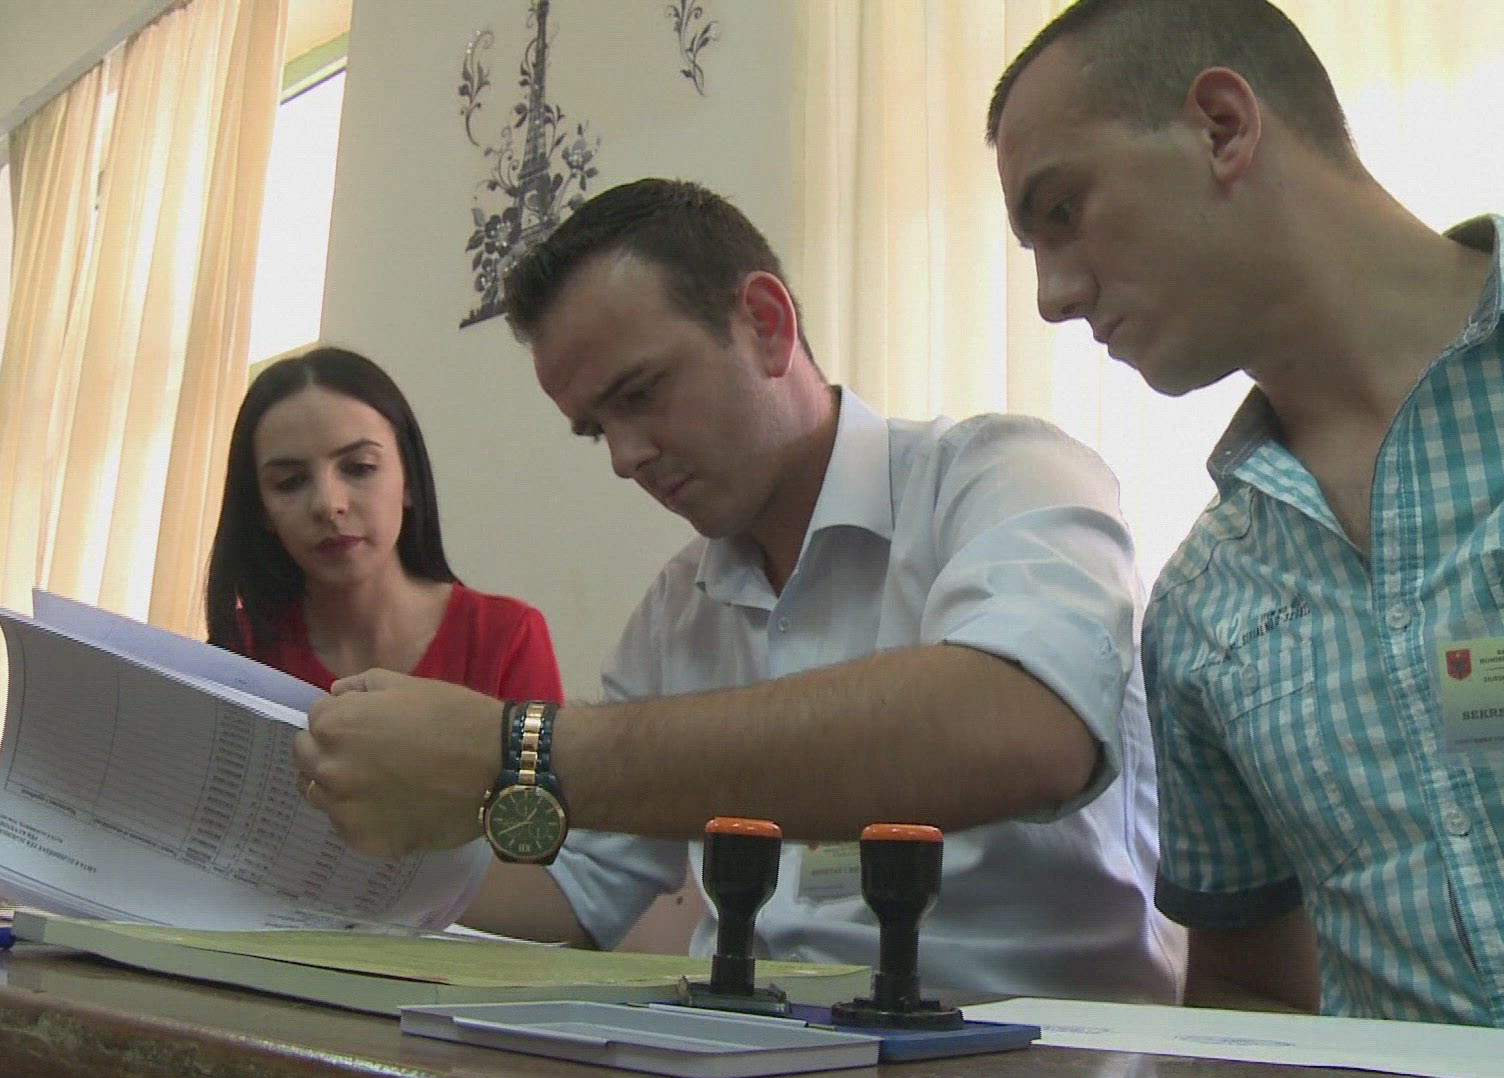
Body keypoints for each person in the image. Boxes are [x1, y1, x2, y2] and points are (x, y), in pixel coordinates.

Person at [298, 179, 1181, 1003]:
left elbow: (1021, 728)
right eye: (595, 429)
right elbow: (579, 887)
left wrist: (517, 750)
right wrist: (334, 863)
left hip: (1027, 1045)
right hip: (746, 1045)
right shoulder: (676, 612)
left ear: (765, 323)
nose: (625, 457)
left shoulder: (1006, 475)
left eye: (642, 394)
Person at [987, 0, 1502, 1026]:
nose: (1049, 297)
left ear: (1222, 127)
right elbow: (1250, 994)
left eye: (1063, 210)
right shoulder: (1202, 611)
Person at [206, 345, 562, 703]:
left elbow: (540, 743)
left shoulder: (506, 636)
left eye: (359, 468)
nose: (328, 505)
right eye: (290, 482)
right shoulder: (237, 652)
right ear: (261, 509)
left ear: (409, 480)